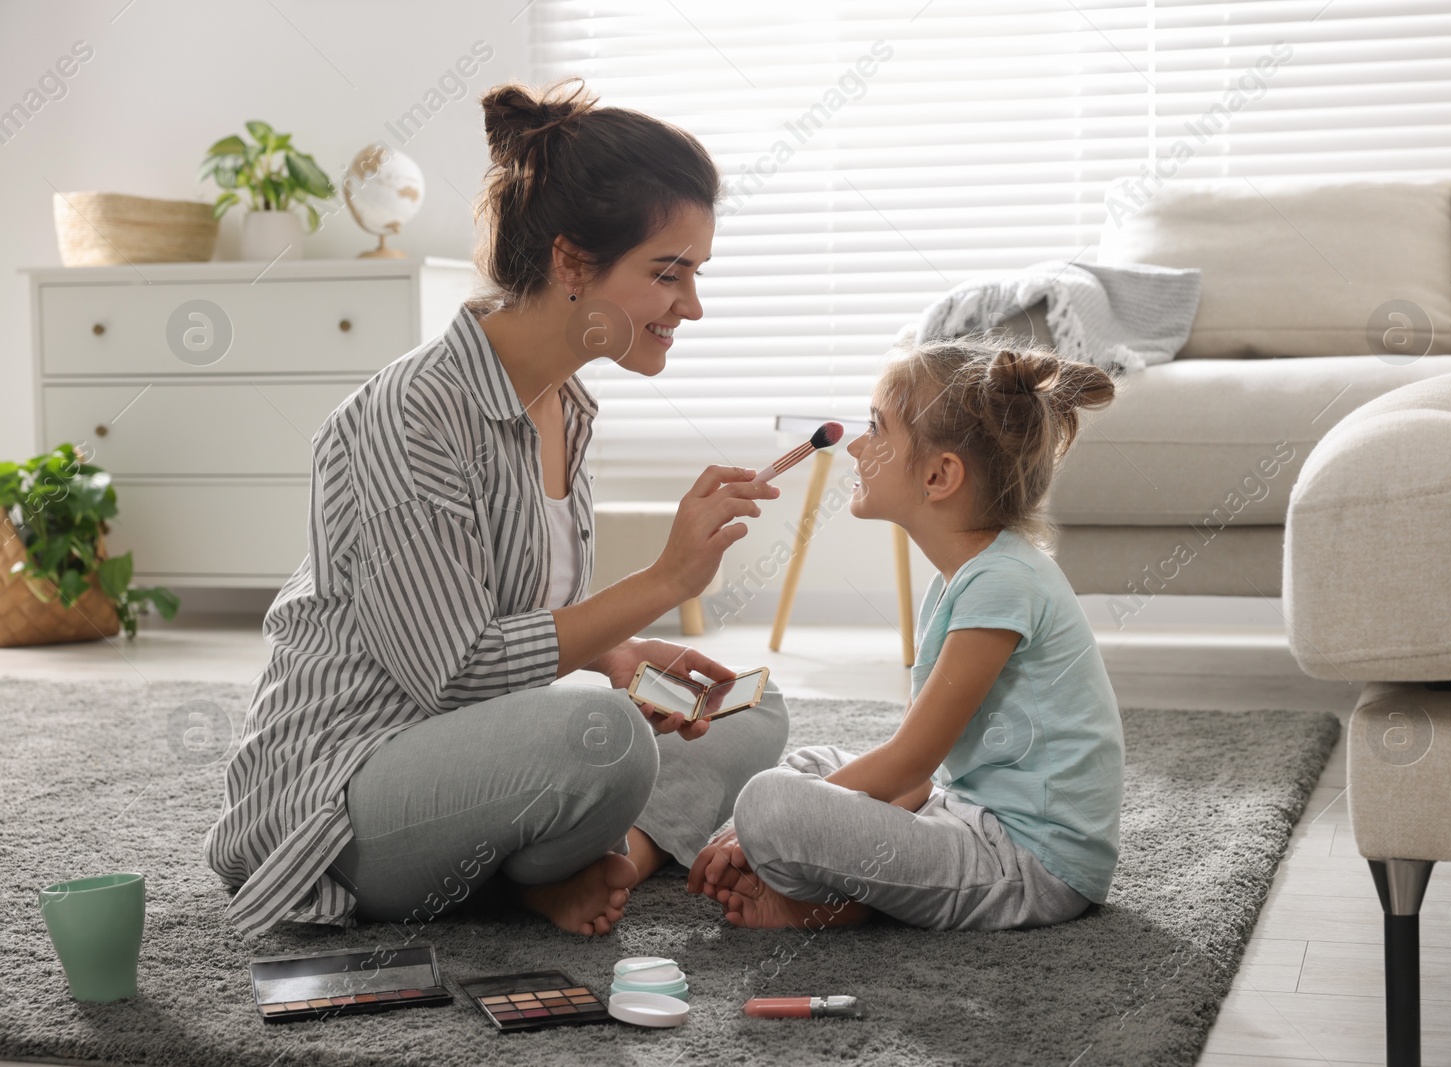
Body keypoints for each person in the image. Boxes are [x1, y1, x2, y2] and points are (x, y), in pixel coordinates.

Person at [204, 76, 788, 940]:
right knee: (603, 736)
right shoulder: (411, 415)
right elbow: (454, 672)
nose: (691, 306)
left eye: (695, 274)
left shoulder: (566, 404)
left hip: (477, 753)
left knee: (748, 707)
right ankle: (554, 866)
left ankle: (590, 860)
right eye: (669, 274)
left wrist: (623, 651)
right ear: (571, 263)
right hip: (350, 787)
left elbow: (523, 616)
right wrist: (664, 579)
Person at [687, 336, 1124, 931]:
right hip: (967, 814)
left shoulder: (1003, 584)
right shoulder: (964, 579)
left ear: (939, 476)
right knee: (808, 765)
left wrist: (751, 831)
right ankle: (829, 890)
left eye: (877, 427)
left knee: (768, 802)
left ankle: (834, 901)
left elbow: (912, 760)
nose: (858, 446)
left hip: (1028, 866)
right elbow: (921, 774)